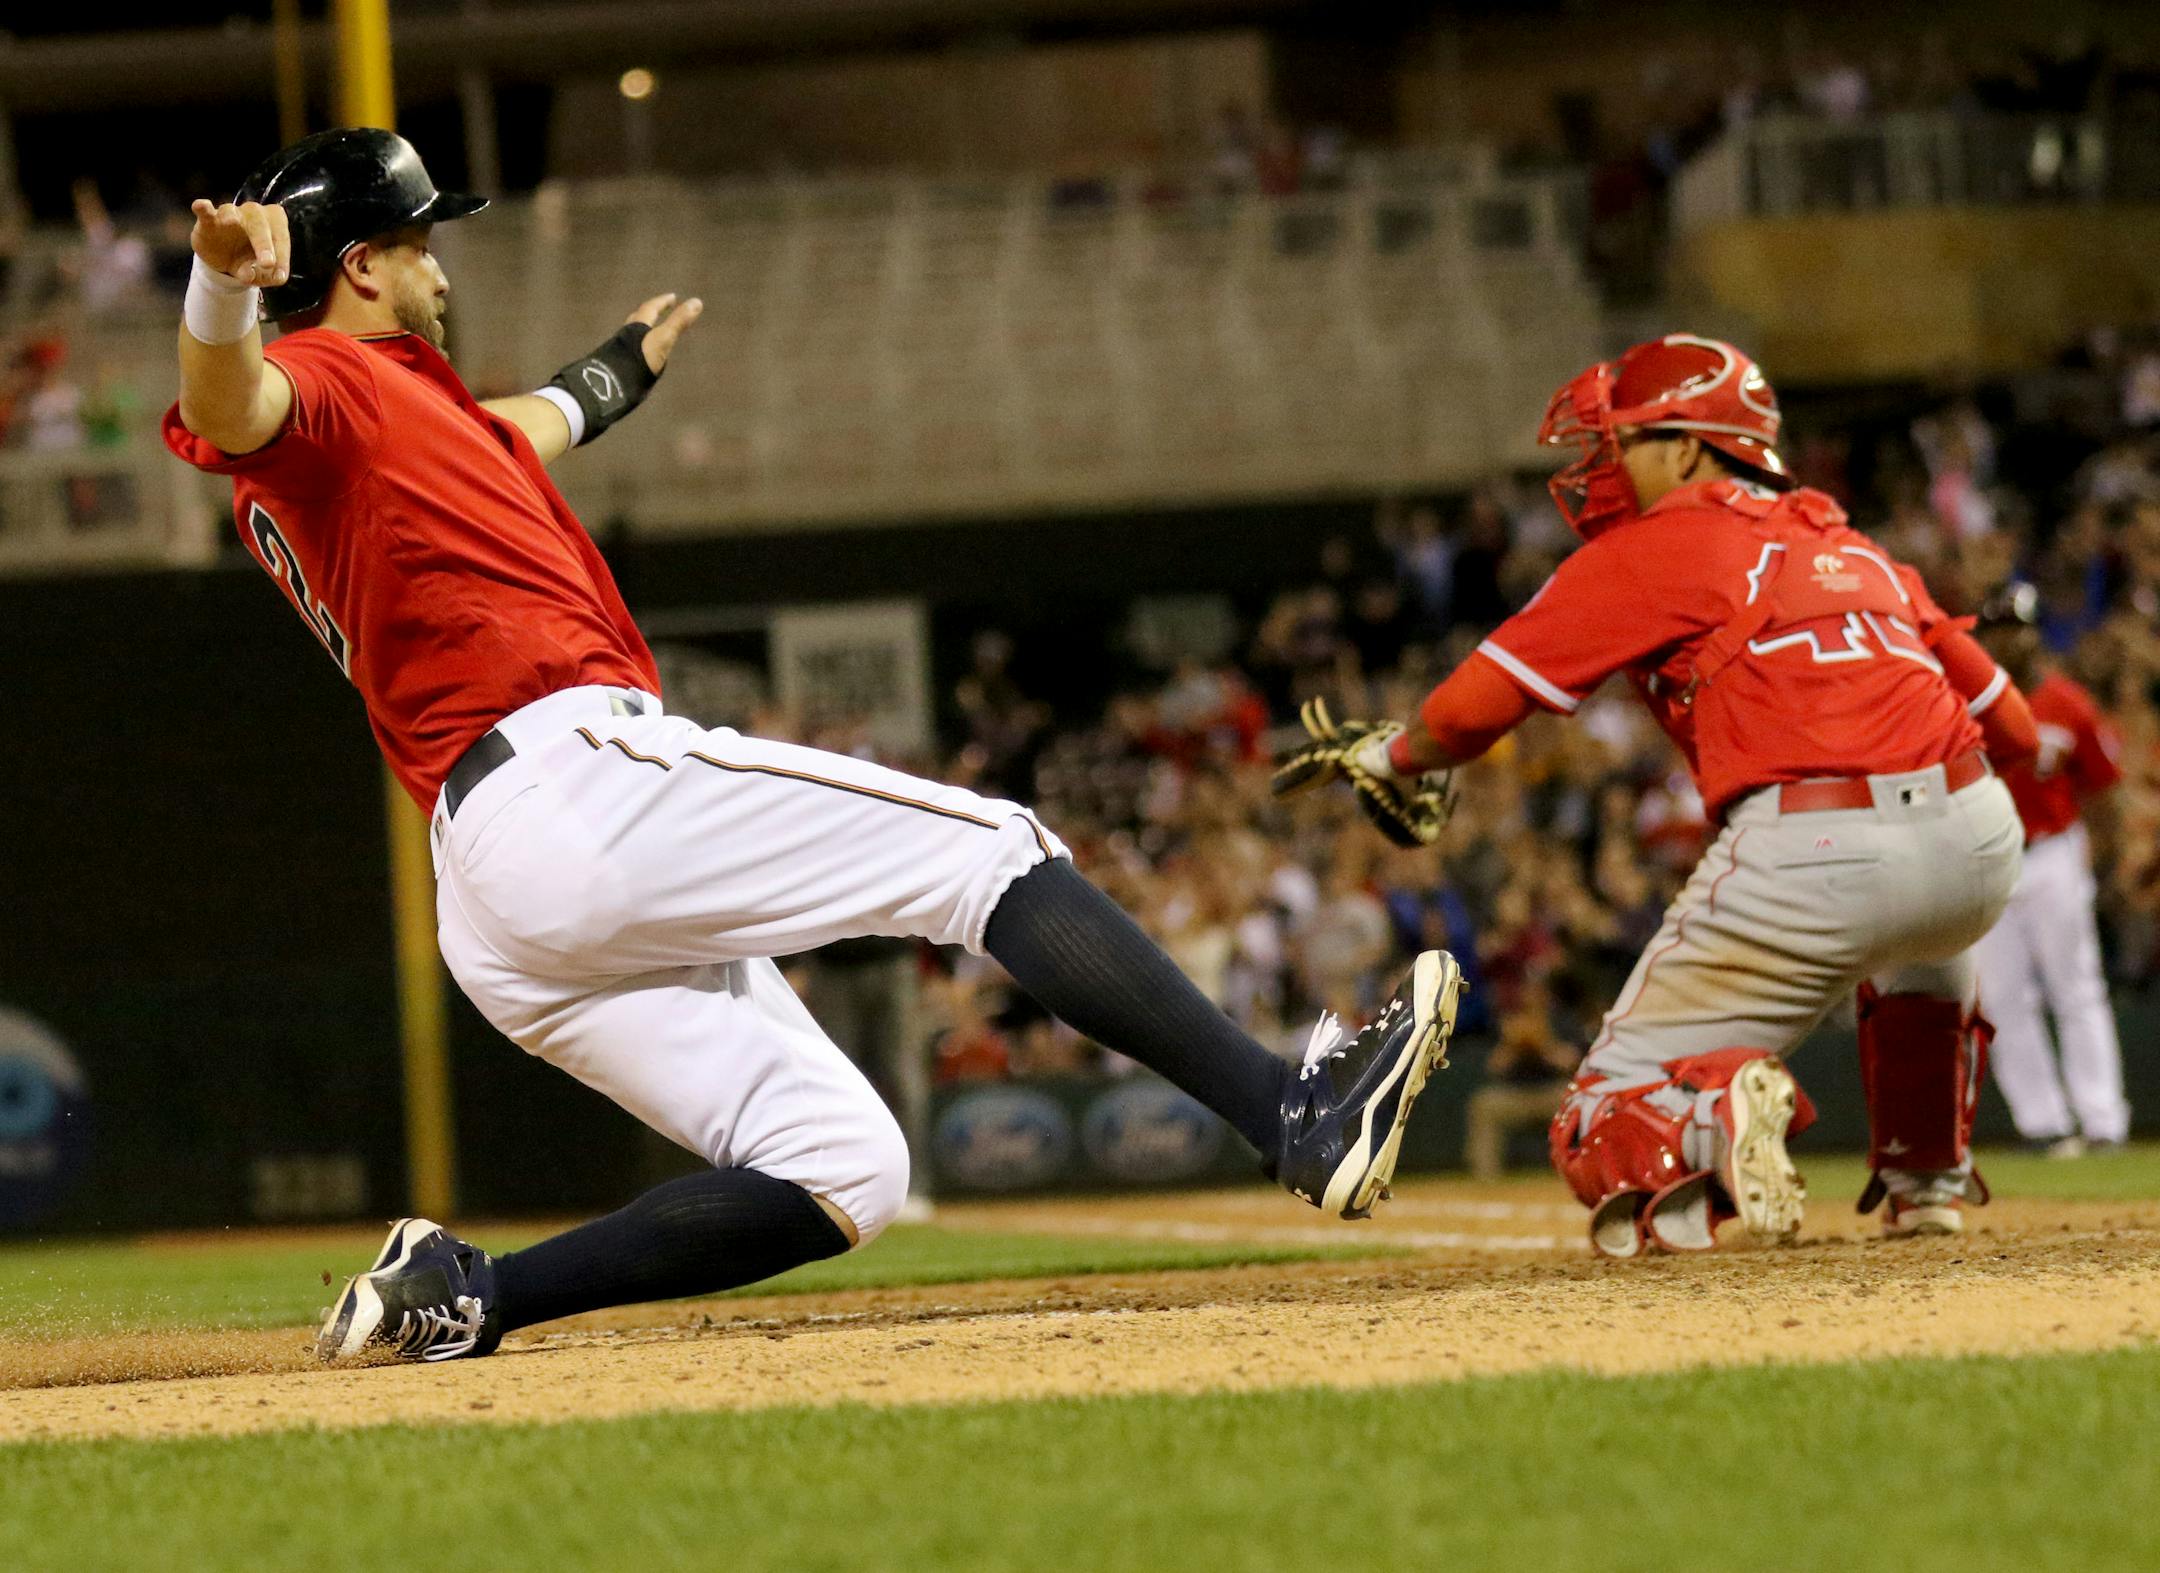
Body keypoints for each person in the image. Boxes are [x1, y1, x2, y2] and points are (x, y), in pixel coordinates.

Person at [163, 129, 1462, 1363]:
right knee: (991, 851)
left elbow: (536, 423)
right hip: (574, 782)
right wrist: (221, 293)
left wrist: (617, 370)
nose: (444, 264)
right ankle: (1288, 1109)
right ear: (366, 263)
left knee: (844, 1163)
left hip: (502, 895)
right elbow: (232, 406)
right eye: (423, 240)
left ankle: (469, 1296)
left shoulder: (413, 427)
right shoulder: (329, 389)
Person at [1279, 334, 2038, 1255]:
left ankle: (1715, 1116)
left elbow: (1469, 711)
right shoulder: (1852, 545)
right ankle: (1928, 1181)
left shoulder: (1656, 546)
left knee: (1596, 1118)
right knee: (1923, 944)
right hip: (1978, 839)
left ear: (1686, 447)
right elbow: (2021, 737)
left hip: (1818, 850)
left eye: (1622, 441)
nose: (1601, 466)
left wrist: (1395, 757)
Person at [1971, 583, 2130, 1156]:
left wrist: (2104, 862)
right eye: (1996, 628)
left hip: (2054, 852)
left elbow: (2104, 790)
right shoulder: (1970, 704)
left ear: (2035, 633)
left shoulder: (2067, 703)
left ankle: (2103, 1118)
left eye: (2017, 626)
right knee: (2004, 998)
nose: (2009, 638)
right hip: (1991, 861)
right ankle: (2043, 1123)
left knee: (2078, 989)